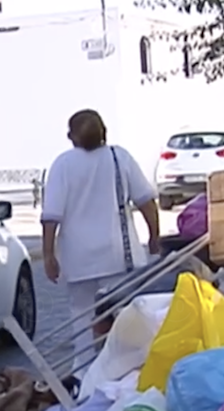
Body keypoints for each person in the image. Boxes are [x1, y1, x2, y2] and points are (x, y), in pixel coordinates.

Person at [41, 109, 161, 373]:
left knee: (81, 317)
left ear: (71, 136)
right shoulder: (120, 158)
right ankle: (125, 369)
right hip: (118, 256)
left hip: (79, 260)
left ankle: (84, 372)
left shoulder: (62, 164)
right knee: (126, 317)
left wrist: (48, 254)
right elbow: (146, 202)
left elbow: (51, 216)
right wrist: (154, 236)